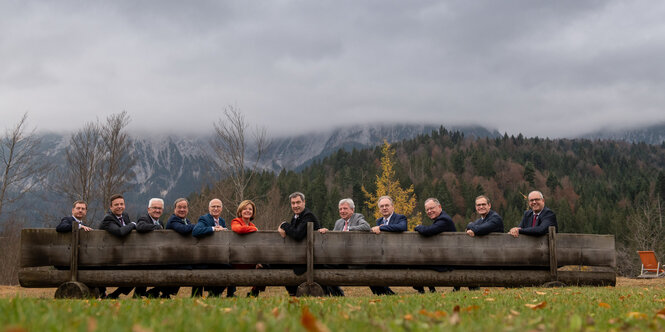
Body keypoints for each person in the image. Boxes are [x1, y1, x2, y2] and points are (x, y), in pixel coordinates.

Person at [317, 198, 371, 297]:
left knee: (325, 266)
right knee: (321, 265)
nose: (342, 211)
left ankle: (337, 293)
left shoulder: (358, 218)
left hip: (354, 259)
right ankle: (334, 293)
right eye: (340, 209)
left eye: (345, 208)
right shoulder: (339, 222)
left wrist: (349, 229)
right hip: (339, 258)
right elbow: (333, 240)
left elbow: (367, 227)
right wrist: (327, 231)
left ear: (352, 210)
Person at [277, 192, 322, 296]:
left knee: (276, 263)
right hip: (300, 257)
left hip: (310, 260)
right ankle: (292, 292)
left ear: (304, 202)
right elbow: (293, 232)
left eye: (298, 202)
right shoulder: (296, 216)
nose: (295, 205)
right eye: (293, 203)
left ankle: (292, 292)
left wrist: (284, 225)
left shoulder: (308, 216)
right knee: (273, 262)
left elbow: (297, 234)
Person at [192, 198, 235, 298]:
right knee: (226, 268)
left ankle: (215, 294)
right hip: (205, 257)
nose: (216, 208)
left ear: (221, 209)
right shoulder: (204, 219)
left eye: (218, 206)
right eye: (213, 206)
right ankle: (208, 294)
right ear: (209, 208)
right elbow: (196, 231)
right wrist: (213, 229)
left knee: (230, 267)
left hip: (217, 257)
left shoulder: (222, 221)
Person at [413, 197, 456, 293]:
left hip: (448, 261)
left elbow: (428, 231)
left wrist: (418, 227)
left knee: (417, 264)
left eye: (432, 208)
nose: (429, 211)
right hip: (444, 257)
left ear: (439, 207)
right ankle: (430, 289)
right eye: (427, 209)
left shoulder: (444, 220)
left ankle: (422, 290)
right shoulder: (441, 219)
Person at [134, 198, 173, 298]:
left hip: (155, 257)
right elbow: (140, 226)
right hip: (143, 258)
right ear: (148, 209)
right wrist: (156, 228)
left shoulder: (160, 222)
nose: (157, 210)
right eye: (154, 208)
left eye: (160, 208)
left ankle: (153, 293)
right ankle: (151, 293)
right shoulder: (144, 218)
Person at [99, 194, 136, 299]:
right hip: (107, 257)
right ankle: (109, 294)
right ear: (111, 207)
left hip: (122, 254)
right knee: (136, 269)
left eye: (122, 204)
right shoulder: (108, 219)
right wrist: (133, 224)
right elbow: (120, 232)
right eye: (116, 205)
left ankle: (115, 295)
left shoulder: (125, 216)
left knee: (139, 268)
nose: (120, 206)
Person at [369, 195, 407, 295]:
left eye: (387, 205)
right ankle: (383, 293)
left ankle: (386, 293)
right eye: (382, 206)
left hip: (397, 255)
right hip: (382, 255)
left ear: (392, 207)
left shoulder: (400, 218)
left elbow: (401, 227)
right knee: (368, 267)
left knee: (374, 268)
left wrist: (382, 228)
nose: (384, 208)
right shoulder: (379, 221)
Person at [231, 200, 266, 297]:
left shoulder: (252, 225)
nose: (248, 211)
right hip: (237, 259)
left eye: (250, 209)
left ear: (253, 212)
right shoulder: (236, 221)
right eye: (245, 209)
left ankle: (254, 292)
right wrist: (254, 230)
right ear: (240, 211)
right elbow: (238, 229)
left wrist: (259, 260)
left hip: (250, 260)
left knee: (264, 266)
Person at [165, 198, 195, 297]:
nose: (182, 209)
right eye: (179, 207)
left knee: (198, 265)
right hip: (170, 258)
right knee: (190, 268)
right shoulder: (173, 220)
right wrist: (200, 226)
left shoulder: (187, 220)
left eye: (184, 207)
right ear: (174, 209)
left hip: (181, 256)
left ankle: (164, 293)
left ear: (188, 209)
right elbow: (183, 229)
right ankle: (160, 292)